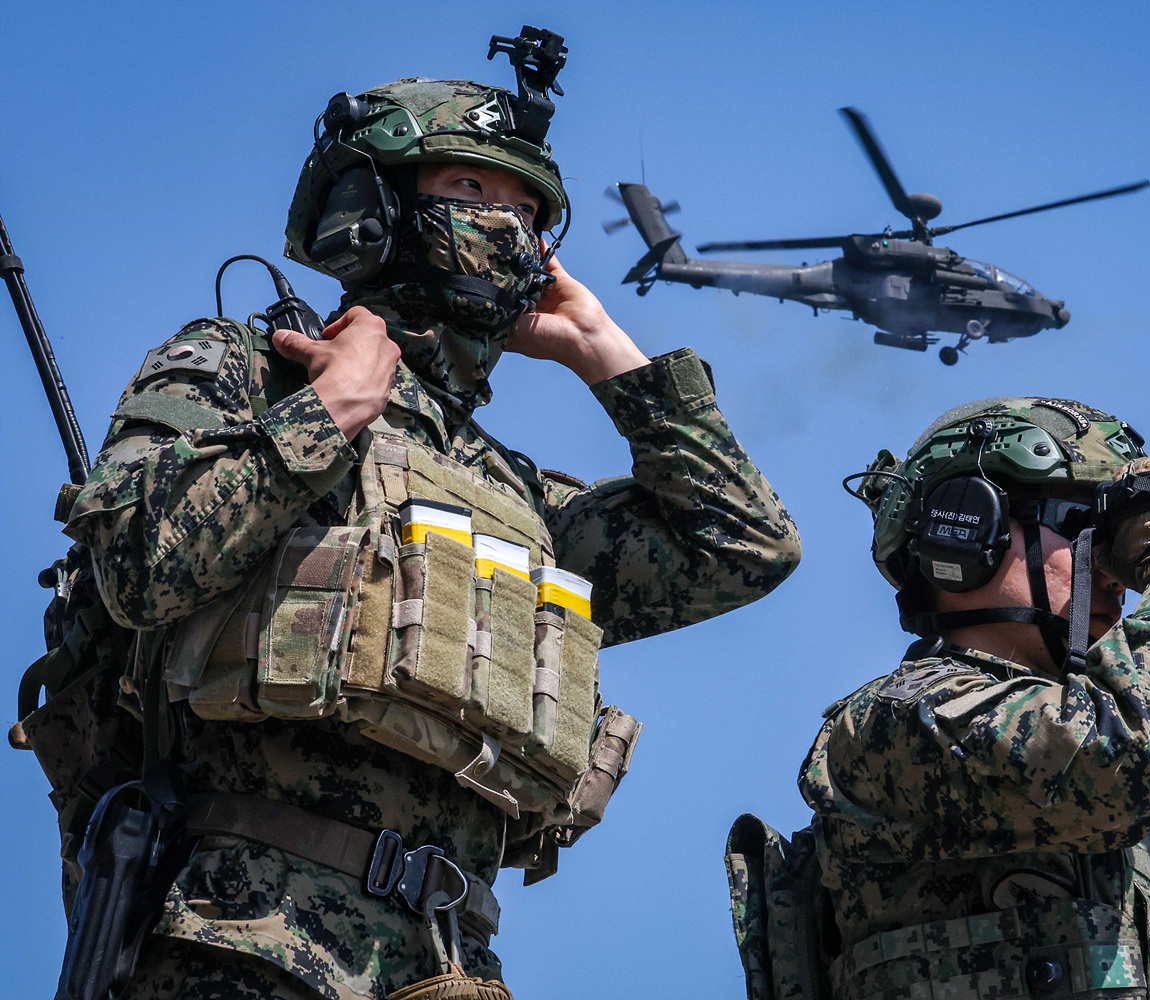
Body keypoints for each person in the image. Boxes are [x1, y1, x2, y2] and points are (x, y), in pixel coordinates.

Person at [24, 68, 800, 1000]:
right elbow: (142, 568)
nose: (508, 227)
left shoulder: (514, 495)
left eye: (527, 210)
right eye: (472, 190)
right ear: (371, 208)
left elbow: (746, 544)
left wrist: (605, 352)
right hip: (240, 942)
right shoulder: (249, 374)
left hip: (449, 969)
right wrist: (331, 408)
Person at [726, 397, 1150, 1000]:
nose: (1116, 572)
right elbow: (1121, 766)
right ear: (970, 530)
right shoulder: (896, 724)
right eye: (1086, 530)